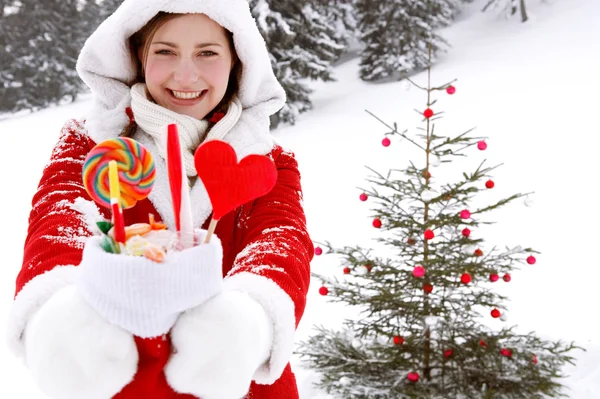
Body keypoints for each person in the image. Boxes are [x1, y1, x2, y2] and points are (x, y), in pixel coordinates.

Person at [5, 1, 313, 398]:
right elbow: (58, 225)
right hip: (116, 381)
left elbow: (281, 244)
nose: (186, 74)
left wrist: (247, 322)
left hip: (236, 382)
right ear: (138, 56)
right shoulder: (91, 144)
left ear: (238, 61)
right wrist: (59, 313)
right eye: (165, 51)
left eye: (208, 52)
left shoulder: (269, 163)